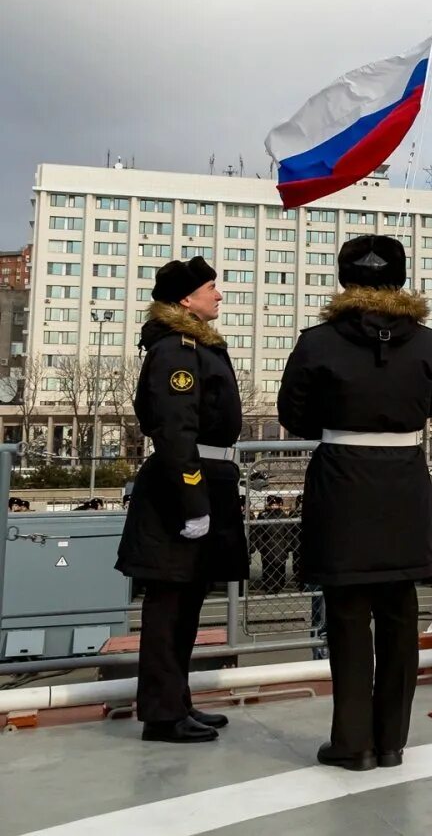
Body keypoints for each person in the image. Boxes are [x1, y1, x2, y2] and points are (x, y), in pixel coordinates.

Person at [280, 235, 432, 771]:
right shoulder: (429, 342)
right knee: (400, 613)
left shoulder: (317, 341)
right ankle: (392, 741)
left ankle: (352, 742)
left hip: (342, 481)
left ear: (344, 280)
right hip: (403, 481)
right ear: (400, 279)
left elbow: (295, 413)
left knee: (348, 613)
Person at [115, 256, 246, 744]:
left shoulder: (195, 346)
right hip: (183, 484)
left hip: (207, 476)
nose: (219, 294)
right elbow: (173, 430)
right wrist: (193, 501)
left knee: (187, 604)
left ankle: (178, 702)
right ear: (186, 299)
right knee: (169, 606)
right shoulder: (176, 350)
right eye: (211, 287)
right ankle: (162, 714)